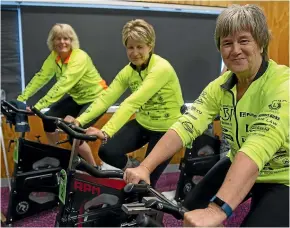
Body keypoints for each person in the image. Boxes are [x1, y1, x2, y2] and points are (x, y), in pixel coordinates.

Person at [124, 4, 289, 227]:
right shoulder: (219, 86)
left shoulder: (283, 84)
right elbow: (187, 124)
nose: (235, 50)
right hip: (237, 159)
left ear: (260, 43)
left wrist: (216, 209)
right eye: (227, 43)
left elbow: (259, 144)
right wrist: (145, 167)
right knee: (189, 210)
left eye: (244, 40)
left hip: (282, 175)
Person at [72, 19, 184, 187]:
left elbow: (132, 102)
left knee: (146, 183)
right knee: (107, 150)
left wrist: (107, 131)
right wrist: (79, 120)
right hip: (143, 123)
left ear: (150, 45)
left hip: (166, 129)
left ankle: (142, 190)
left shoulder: (161, 68)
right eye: (130, 47)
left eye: (140, 47)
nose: (135, 52)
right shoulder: (128, 71)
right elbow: (106, 98)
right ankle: (133, 170)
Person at [17, 23, 108, 166]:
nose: (62, 42)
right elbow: (40, 77)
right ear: (52, 41)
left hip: (97, 99)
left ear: (72, 41)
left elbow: (63, 85)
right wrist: (21, 98)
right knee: (48, 118)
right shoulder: (54, 57)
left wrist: (38, 106)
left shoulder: (80, 57)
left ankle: (94, 168)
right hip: (78, 99)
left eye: (66, 38)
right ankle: (56, 155)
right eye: (58, 38)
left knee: (75, 136)